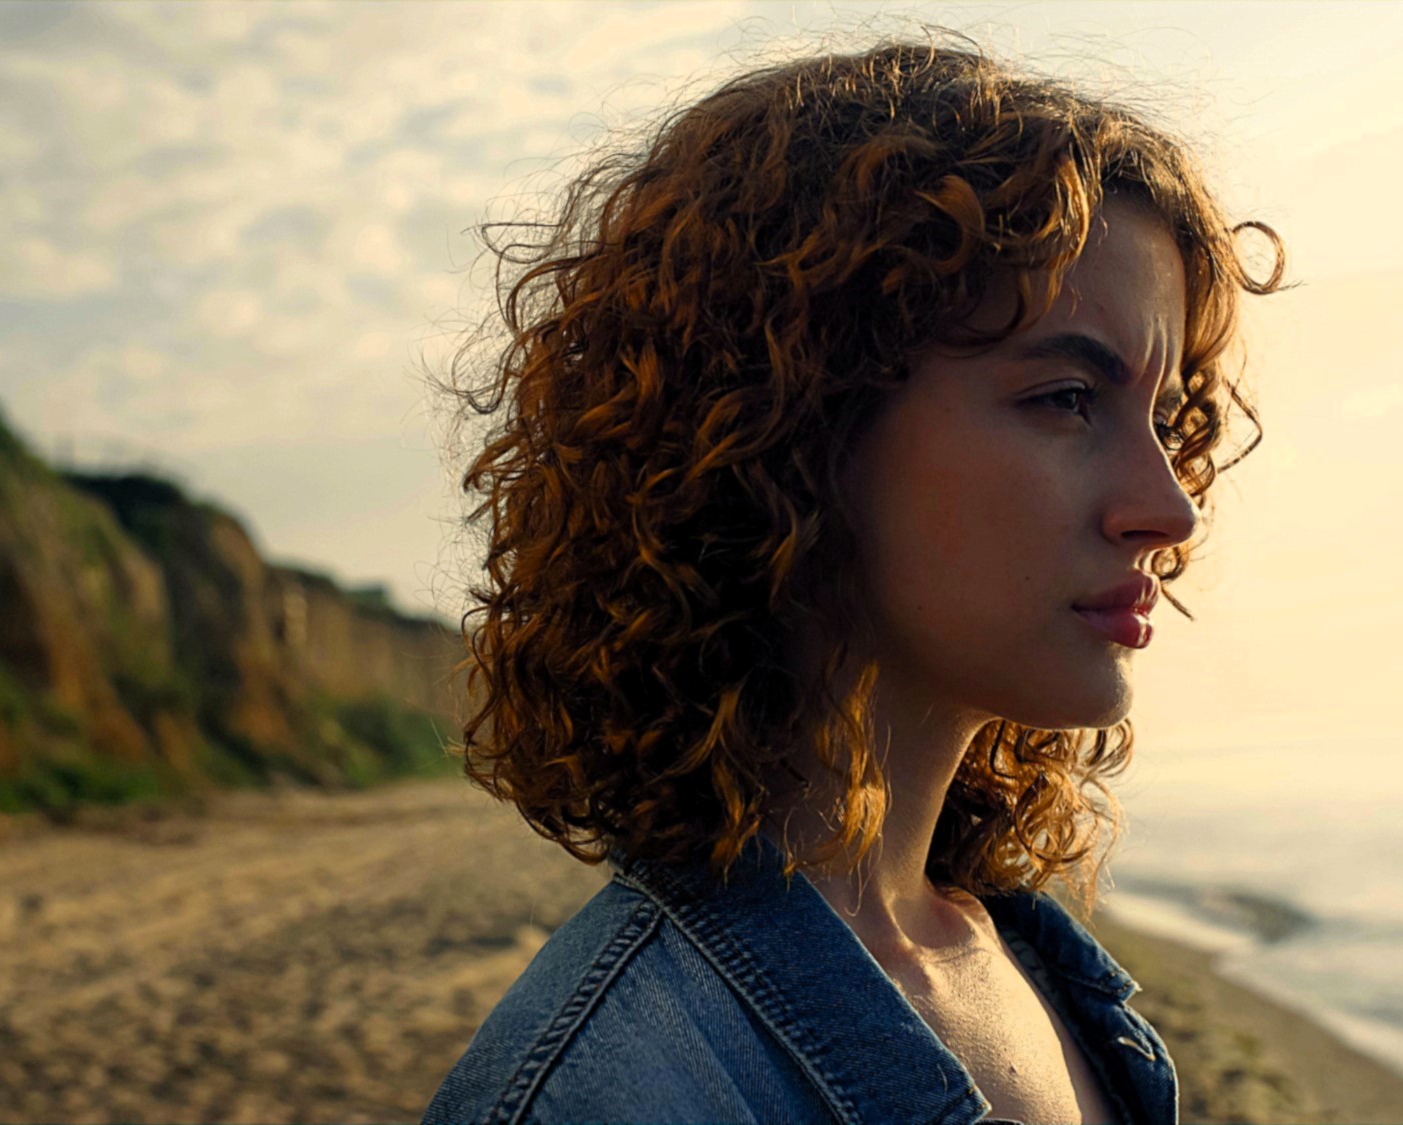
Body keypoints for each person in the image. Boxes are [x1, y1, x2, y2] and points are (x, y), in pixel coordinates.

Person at [424, 34, 1284, 1125]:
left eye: (1164, 421)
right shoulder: (615, 1094)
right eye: (1068, 397)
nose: (1168, 509)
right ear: (790, 426)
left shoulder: (1042, 975)